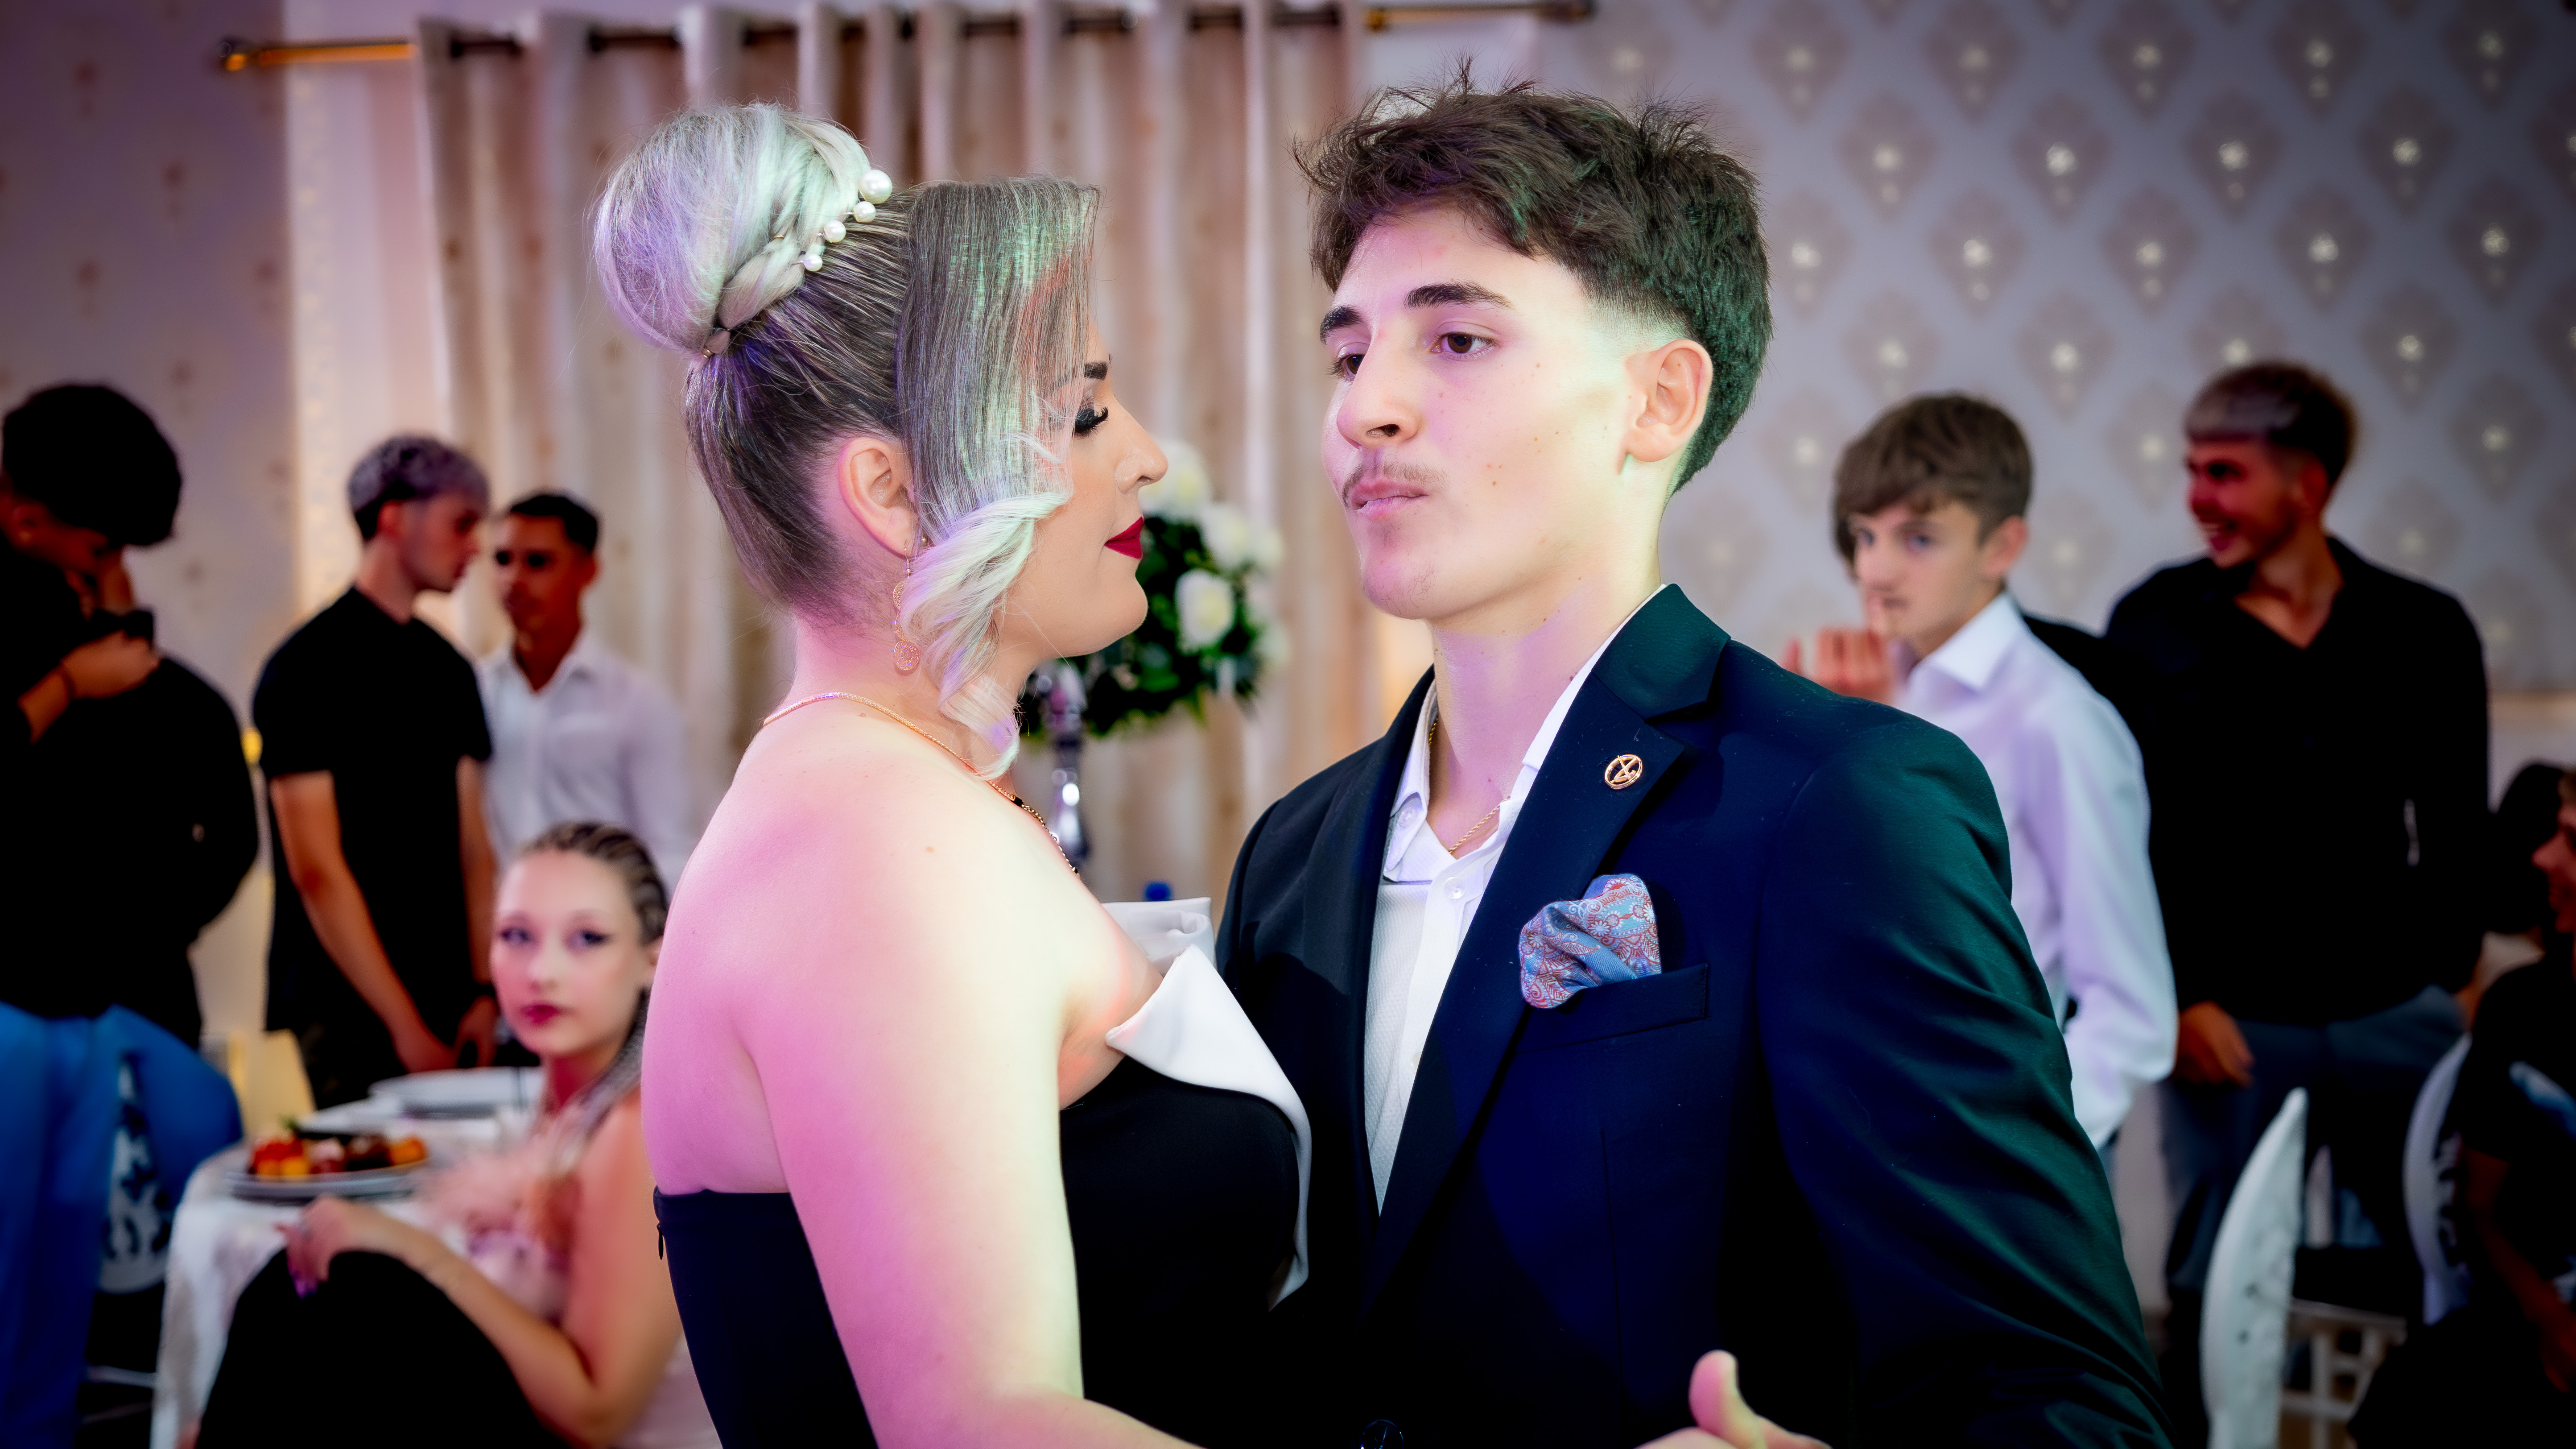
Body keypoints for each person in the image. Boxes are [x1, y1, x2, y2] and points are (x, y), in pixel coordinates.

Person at [1217, 75, 2169, 1448]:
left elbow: (2061, 1396)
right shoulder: (1294, 850)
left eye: (1458, 339)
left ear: (1656, 401)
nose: (1368, 405)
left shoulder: (1838, 807)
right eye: (1349, 353)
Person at [2105, 364, 2485, 1436]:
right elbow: (2135, 836)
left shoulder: (2423, 628)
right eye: (2191, 470)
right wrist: (2181, 996)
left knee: (2435, 1266)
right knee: (2216, 1283)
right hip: (2231, 1024)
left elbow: (2454, 826)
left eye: (2224, 473)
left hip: (2394, 1015)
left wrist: (2452, 987)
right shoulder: (2154, 623)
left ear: (2306, 483)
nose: (2197, 497)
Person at [196, 823, 716, 1449]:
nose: (542, 972)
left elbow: (596, 1414)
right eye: (516, 936)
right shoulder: (568, 1104)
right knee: (304, 1291)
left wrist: (416, 1253)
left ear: (652, 960)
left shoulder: (636, 1129)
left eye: (587, 939)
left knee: (346, 1288)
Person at [1785, 394, 2176, 1154]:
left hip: (1992, 1142)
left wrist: (2022, 1145)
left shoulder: (2057, 719)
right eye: (1864, 536)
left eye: (1918, 538)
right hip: (1860, 1115)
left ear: (2002, 547)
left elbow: (2132, 1010)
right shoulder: (1858, 691)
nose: (1875, 571)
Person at [3, 384, 259, 1047]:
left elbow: (233, 843)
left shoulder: (180, 699)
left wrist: (151, 931)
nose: (113, 571)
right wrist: (67, 684)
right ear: (26, 523)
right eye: (100, 552)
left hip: (141, 1001)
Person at [253, 438, 501, 1106]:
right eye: (461, 522)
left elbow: (474, 848)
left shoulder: (450, 669)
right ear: (393, 517)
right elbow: (316, 871)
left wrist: (484, 990)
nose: (475, 546)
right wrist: (404, 1028)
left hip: (454, 998)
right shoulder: (302, 670)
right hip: (345, 1008)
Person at [2349, 768, 2576, 1441]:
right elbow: (2477, 1207)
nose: (2543, 857)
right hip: (2532, 1316)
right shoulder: (2522, 1009)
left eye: (2571, 840)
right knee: (2412, 1396)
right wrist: (2550, 1320)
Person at [478, 492, 696, 883]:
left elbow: (669, 849)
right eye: (502, 559)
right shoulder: (474, 691)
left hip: (599, 915)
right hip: (497, 917)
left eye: (538, 562)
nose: (514, 579)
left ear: (588, 571)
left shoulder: (638, 703)